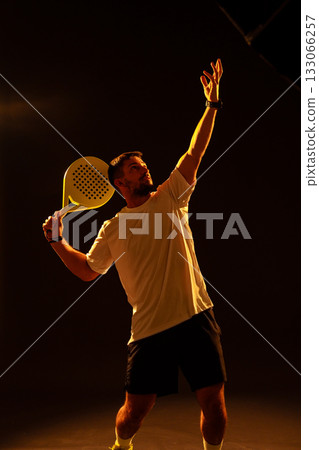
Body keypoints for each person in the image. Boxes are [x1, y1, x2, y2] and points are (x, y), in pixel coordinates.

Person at [43, 59, 227, 450]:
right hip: (149, 331)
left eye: (144, 167)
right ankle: (121, 445)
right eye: (135, 170)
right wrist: (58, 243)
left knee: (214, 403)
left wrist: (211, 105)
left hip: (196, 316)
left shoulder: (172, 195)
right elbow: (89, 271)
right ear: (119, 183)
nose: (144, 172)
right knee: (133, 416)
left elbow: (195, 151)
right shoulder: (112, 228)